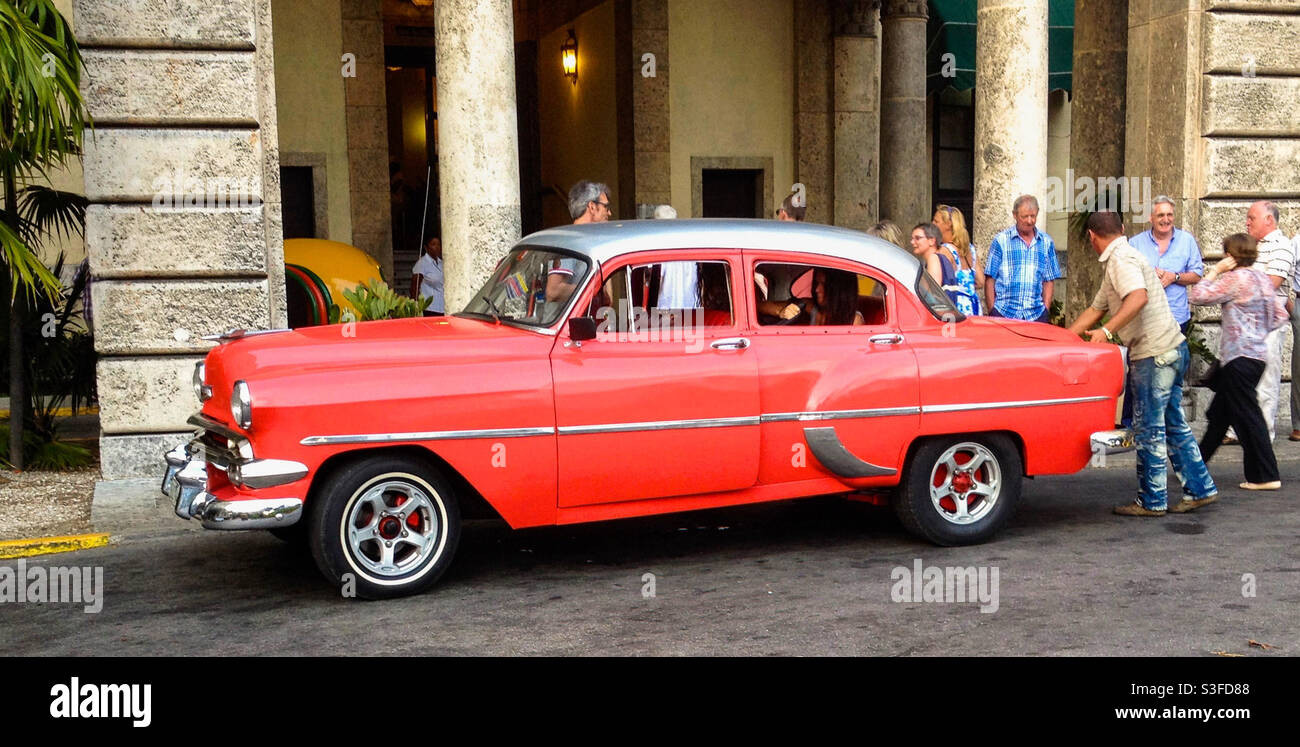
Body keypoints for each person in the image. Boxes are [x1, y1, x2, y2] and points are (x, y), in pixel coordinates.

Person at [1065, 211, 1217, 516]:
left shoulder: (1121, 260)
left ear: (1091, 236)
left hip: (1153, 355)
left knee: (1148, 429)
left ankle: (1152, 501)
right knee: (1174, 424)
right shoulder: (1124, 256)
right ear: (1121, 229)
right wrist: (1062, 339)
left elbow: (1138, 298)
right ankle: (1200, 489)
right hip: (1173, 347)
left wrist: (1107, 332)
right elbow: (1096, 309)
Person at [1189, 234, 1288, 490]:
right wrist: (1256, 331)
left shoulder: (1235, 279)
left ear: (1231, 256)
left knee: (1249, 417)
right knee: (1220, 416)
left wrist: (1216, 271)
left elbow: (1197, 295)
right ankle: (1195, 467)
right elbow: (1280, 315)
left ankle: (1266, 476)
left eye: (1225, 254)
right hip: (1255, 357)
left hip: (1237, 358)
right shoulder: (1263, 280)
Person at [1227, 201, 1296, 443]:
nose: (1247, 222)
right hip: (1242, 325)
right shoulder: (1249, 245)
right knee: (1239, 381)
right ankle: (1236, 430)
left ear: (1269, 220)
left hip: (1267, 326)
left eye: (1251, 217)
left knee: (1266, 382)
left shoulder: (1283, 246)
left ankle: (1262, 435)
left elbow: (1271, 283)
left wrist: (1238, 285)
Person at [1129, 196, 1203, 335]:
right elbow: (1126, 277)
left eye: (1169, 214)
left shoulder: (1187, 240)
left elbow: (1197, 276)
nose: (1166, 219)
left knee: (1176, 357)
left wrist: (1174, 277)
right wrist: (1148, 276)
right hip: (1145, 319)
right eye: (1160, 215)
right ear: (1151, 218)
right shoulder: (1135, 243)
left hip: (1177, 318)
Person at [985, 195, 1061, 322]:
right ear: (1015, 215)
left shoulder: (1046, 242)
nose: (1030, 221)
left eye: (1033, 216)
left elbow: (1049, 280)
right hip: (1004, 312)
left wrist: (1046, 311)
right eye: (1025, 216)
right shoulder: (1001, 241)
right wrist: (992, 311)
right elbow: (989, 279)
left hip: (1036, 314)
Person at [548, 180, 611, 305]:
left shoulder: (596, 243)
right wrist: (593, 290)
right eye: (606, 207)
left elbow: (608, 298)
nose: (609, 213)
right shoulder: (569, 242)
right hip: (569, 323)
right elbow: (553, 291)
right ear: (592, 207)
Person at [758, 268, 863, 326]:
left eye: (824, 285)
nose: (817, 289)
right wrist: (779, 312)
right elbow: (761, 306)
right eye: (816, 283)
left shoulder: (853, 320)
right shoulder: (810, 306)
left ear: (839, 291)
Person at [933, 205, 983, 315]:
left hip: (956, 307)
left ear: (948, 224)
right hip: (974, 306)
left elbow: (935, 284)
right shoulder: (970, 249)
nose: (932, 224)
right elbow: (980, 281)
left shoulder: (944, 251)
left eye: (936, 222)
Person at [909, 222, 962, 308]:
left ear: (932, 241)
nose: (912, 242)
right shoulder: (940, 258)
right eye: (912, 238)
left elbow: (933, 293)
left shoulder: (933, 258)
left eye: (917, 238)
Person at [409, 235, 444, 316]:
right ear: (426, 247)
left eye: (438, 244)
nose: (437, 247)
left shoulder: (441, 263)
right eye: (433, 244)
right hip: (429, 309)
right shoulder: (422, 263)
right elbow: (415, 286)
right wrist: (416, 305)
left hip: (442, 307)